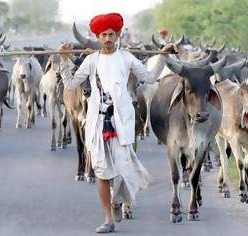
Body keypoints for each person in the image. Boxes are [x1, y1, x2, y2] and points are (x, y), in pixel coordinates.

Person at [59, 13, 176, 233]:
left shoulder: (127, 59)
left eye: (111, 34)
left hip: (122, 122)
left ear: (118, 35)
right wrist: (64, 60)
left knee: (122, 171)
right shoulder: (91, 60)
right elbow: (71, 83)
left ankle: (120, 200)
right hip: (97, 123)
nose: (108, 38)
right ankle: (108, 219)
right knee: (102, 173)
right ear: (98, 37)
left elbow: (150, 78)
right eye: (103, 35)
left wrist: (162, 57)